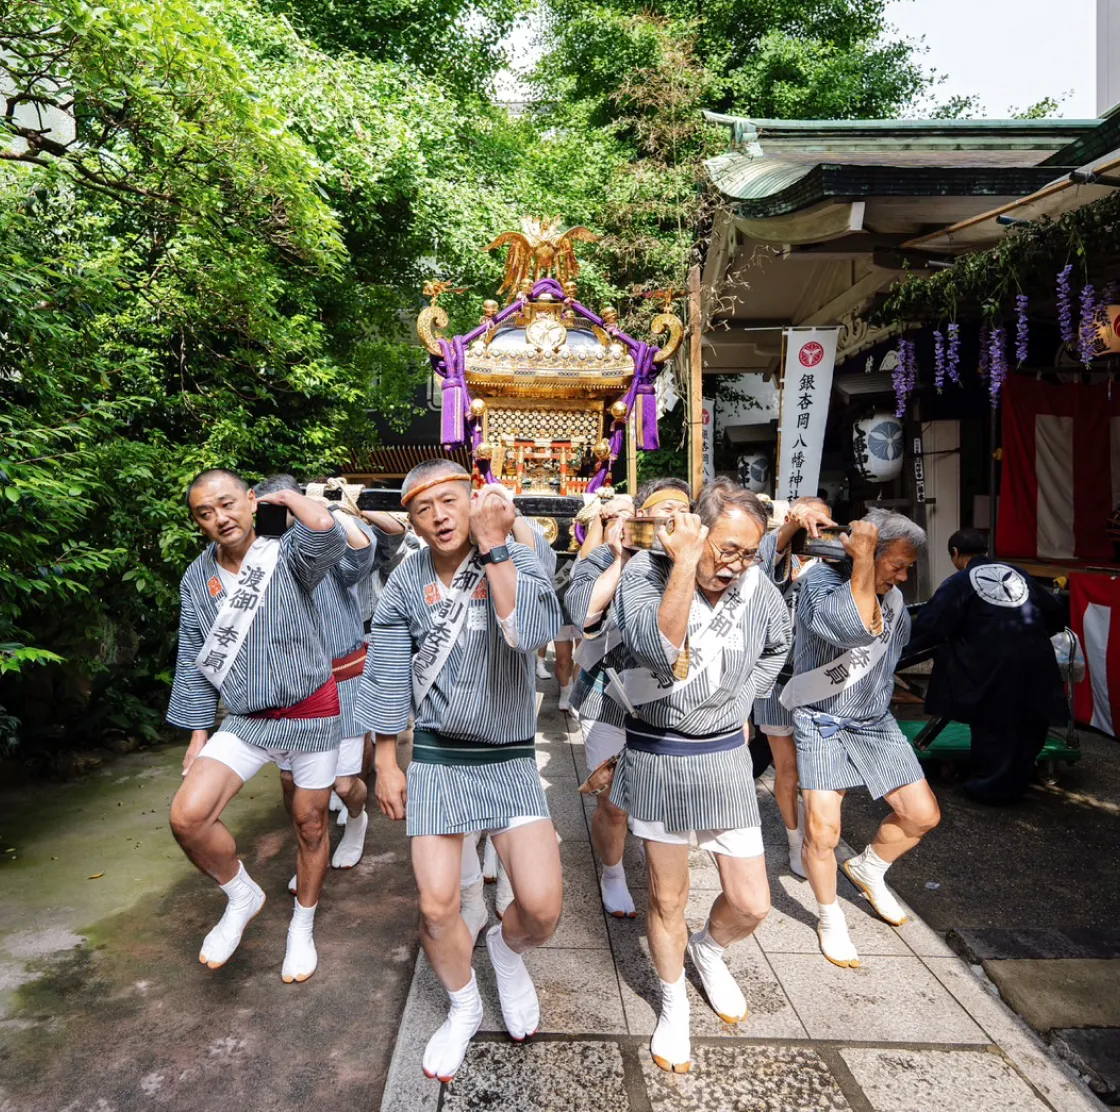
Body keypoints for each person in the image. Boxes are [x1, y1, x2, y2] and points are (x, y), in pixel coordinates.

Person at [358, 460, 563, 1083]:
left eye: (451, 502)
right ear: (412, 521)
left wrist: (497, 544)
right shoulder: (404, 582)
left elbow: (529, 633)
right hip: (441, 758)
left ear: (474, 502)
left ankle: (505, 948)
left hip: (508, 757)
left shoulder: (513, 557)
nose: (440, 516)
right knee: (436, 906)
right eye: (423, 509)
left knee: (542, 908)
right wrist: (386, 759)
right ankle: (464, 1004)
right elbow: (389, 673)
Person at [610, 478, 791, 1074]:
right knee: (667, 897)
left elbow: (777, 646)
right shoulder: (645, 574)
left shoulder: (756, 586)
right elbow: (656, 650)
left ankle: (710, 953)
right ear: (695, 531)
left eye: (749, 554)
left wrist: (745, 700)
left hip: (726, 761)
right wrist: (686, 563)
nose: (737, 567)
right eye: (727, 551)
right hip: (661, 755)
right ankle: (672, 1004)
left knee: (752, 902)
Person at [167, 469, 346, 983]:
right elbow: (194, 660)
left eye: (227, 504)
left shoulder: (285, 553)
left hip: (312, 711)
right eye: (205, 513)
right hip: (246, 719)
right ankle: (242, 894)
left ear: (250, 501)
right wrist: (199, 733)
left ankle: (302, 926)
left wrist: (289, 498)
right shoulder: (197, 578)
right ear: (198, 521)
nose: (219, 518)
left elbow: (328, 537)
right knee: (189, 817)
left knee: (310, 823)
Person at [782, 508, 940, 970]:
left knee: (922, 814)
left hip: (873, 720)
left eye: (909, 566)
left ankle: (870, 868)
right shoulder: (819, 582)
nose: (906, 575)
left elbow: (899, 645)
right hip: (823, 720)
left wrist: (878, 572)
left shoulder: (890, 595)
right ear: (869, 551)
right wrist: (866, 563)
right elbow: (849, 627)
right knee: (823, 832)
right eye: (899, 564)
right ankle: (829, 917)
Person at [566, 481, 682, 919]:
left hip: (668, 701)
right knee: (612, 800)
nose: (671, 515)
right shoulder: (605, 554)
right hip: (609, 692)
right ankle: (613, 872)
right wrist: (621, 560)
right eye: (661, 507)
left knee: (661, 798)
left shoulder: (695, 563)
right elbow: (580, 614)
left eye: (682, 508)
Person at [252, 475, 378, 878]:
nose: (276, 514)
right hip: (291, 687)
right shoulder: (255, 552)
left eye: (282, 505)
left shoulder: (326, 537)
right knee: (294, 784)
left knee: (344, 785)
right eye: (267, 507)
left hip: (343, 680)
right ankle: (310, 853)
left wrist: (327, 509)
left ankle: (357, 819)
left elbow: (363, 554)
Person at [907, 527, 1067, 805]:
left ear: (955, 554)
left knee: (994, 727)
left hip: (989, 668)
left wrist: (900, 644)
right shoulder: (1018, 575)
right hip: (1036, 662)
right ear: (985, 550)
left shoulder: (958, 582)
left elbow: (932, 625)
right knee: (1027, 725)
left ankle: (988, 788)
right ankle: (1014, 782)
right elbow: (1055, 614)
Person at [754, 495, 836, 878]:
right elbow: (765, 564)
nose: (820, 530)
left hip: (818, 677)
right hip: (778, 675)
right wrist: (792, 526)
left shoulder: (833, 559)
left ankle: (817, 842)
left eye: (827, 523)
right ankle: (792, 841)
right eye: (814, 522)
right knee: (786, 768)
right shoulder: (780, 549)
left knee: (817, 769)